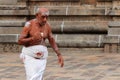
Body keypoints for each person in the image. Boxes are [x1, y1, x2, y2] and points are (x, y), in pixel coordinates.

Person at [18, 7, 64, 80]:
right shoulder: (29, 25)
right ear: (37, 15)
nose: (45, 19)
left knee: (39, 78)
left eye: (46, 17)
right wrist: (32, 39)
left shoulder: (47, 26)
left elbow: (51, 39)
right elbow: (20, 41)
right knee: (32, 78)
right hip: (30, 57)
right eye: (43, 17)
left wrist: (59, 54)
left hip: (42, 59)